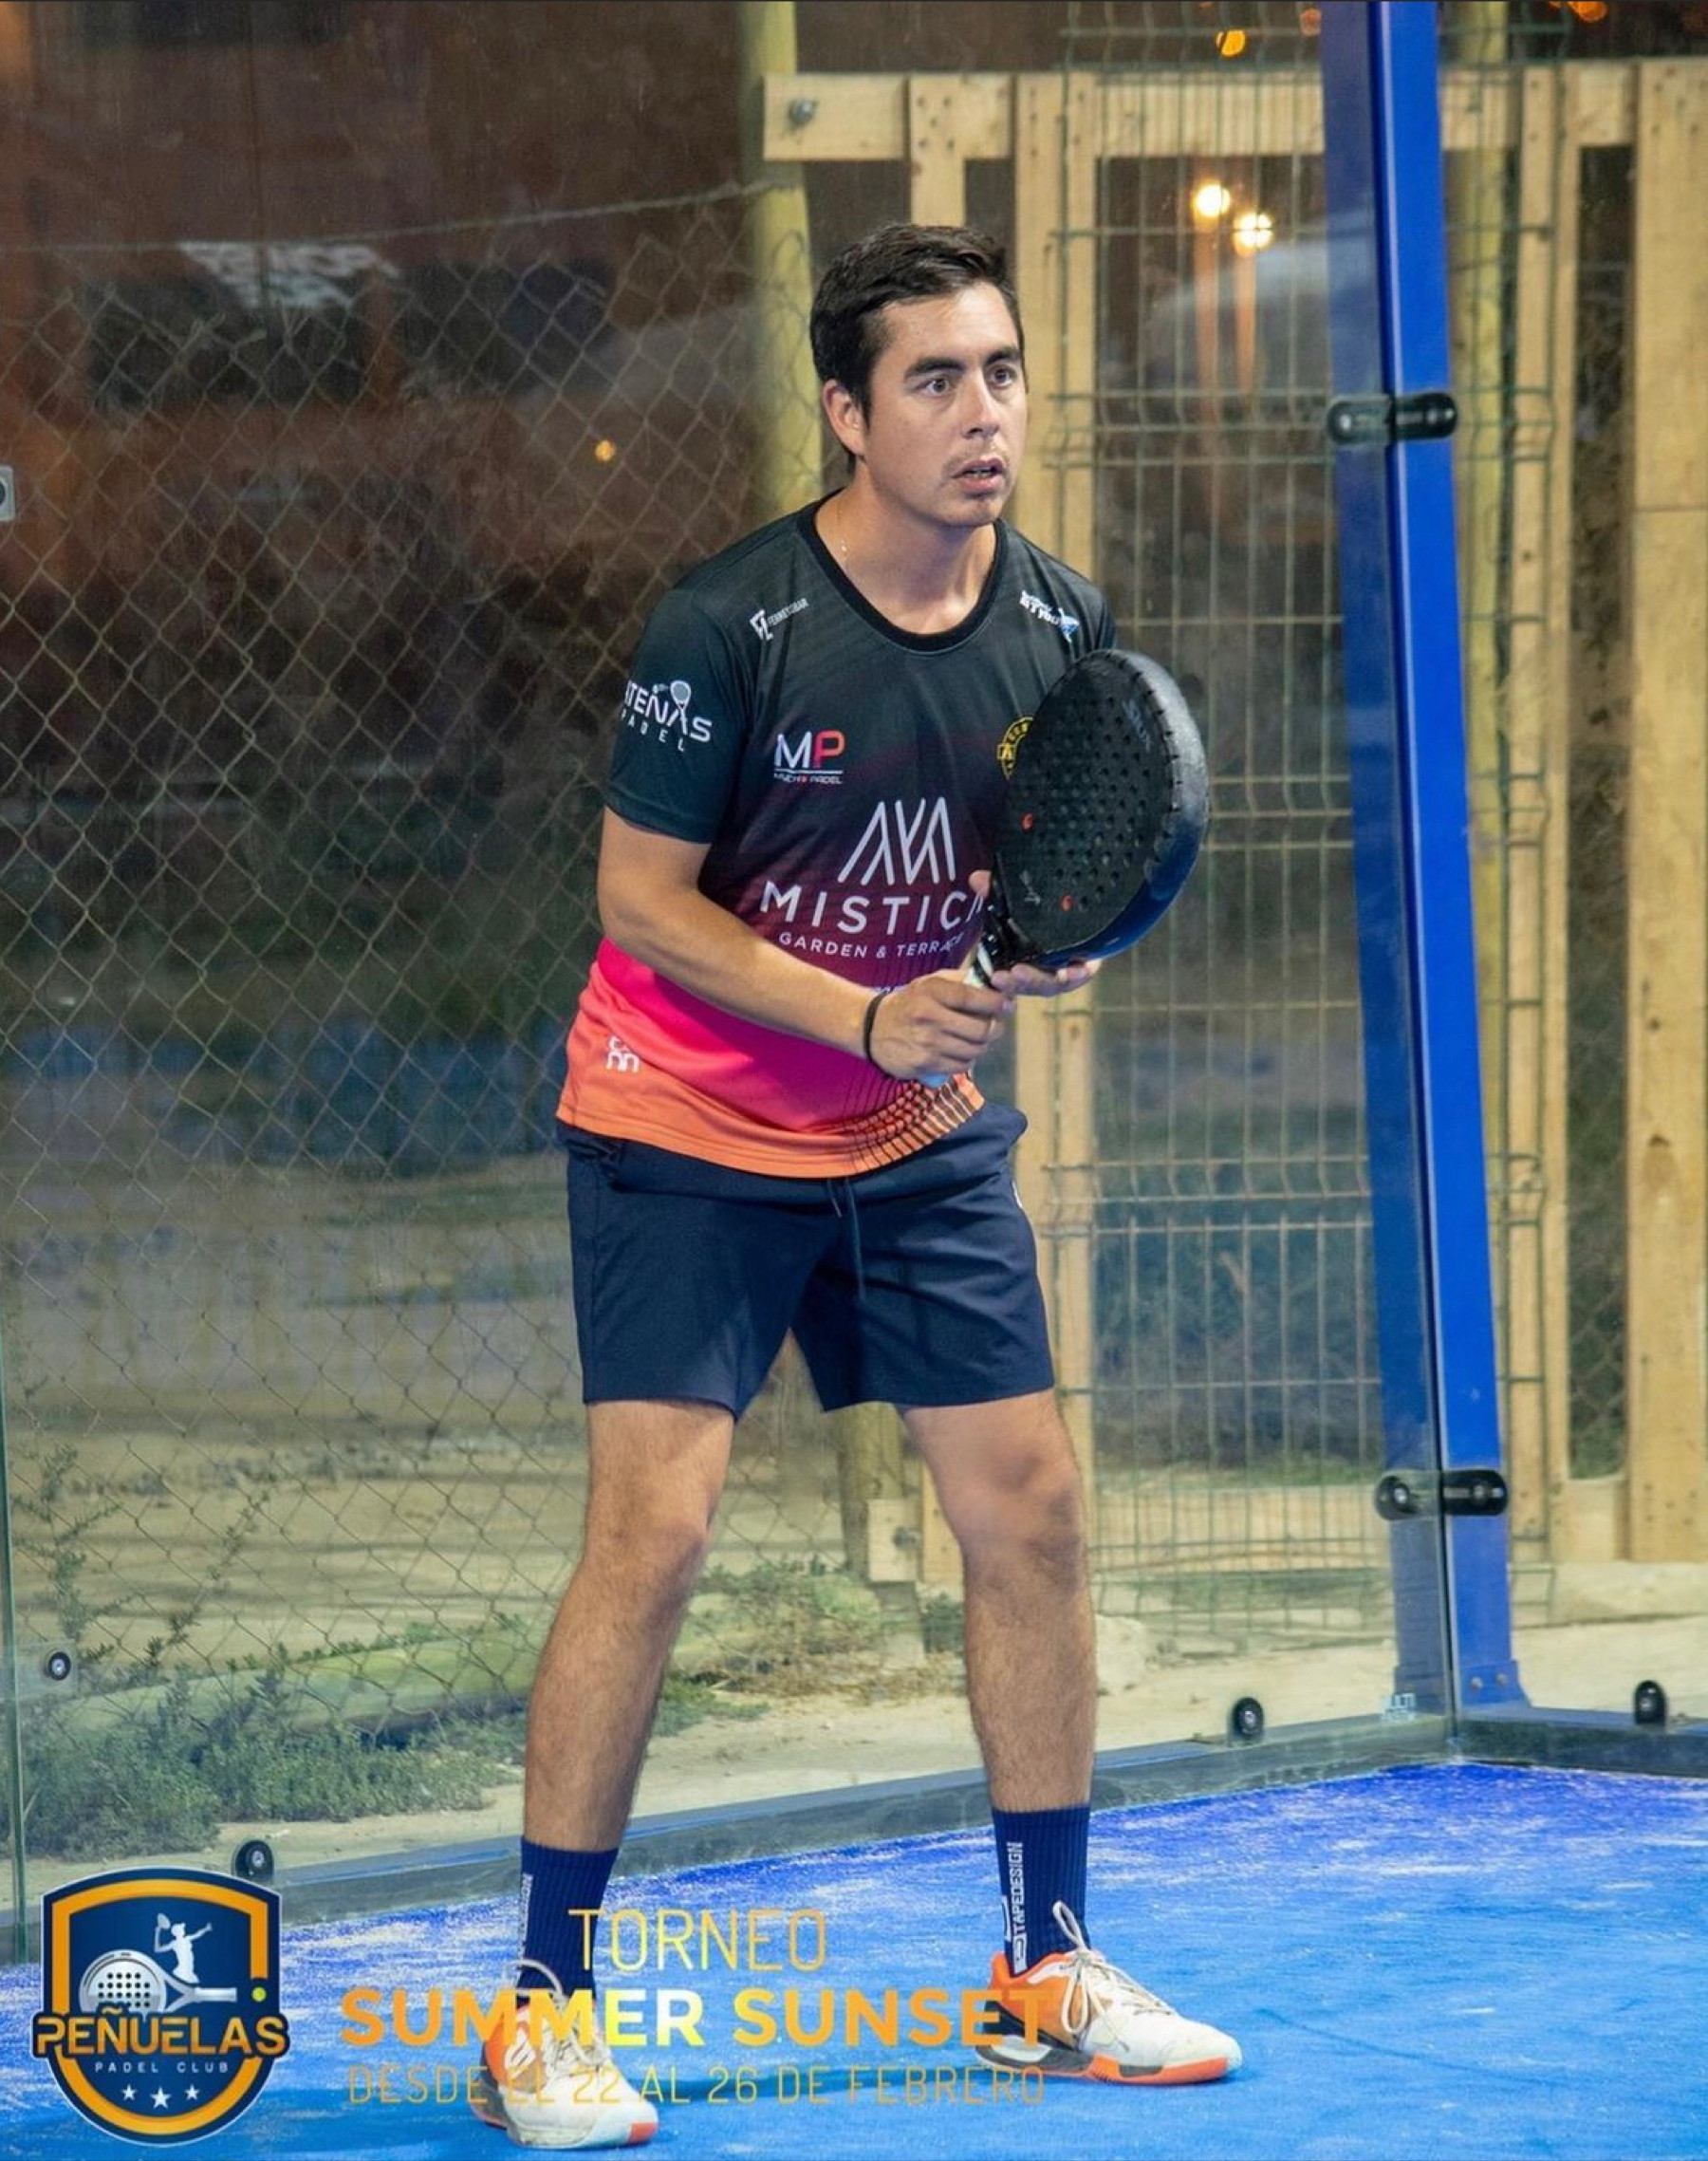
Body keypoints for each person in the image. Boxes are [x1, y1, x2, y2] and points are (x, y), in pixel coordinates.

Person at [472, 222, 1240, 2150]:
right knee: (655, 1535)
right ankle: (540, 2011)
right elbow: (639, 904)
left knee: (1033, 1509)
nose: (984, 414)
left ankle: (1045, 1968)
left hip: (908, 1136)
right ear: (846, 410)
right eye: (935, 380)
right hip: (683, 1124)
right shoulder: (725, 629)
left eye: (1003, 373)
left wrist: (1022, 956)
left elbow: (1036, 866)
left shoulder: (1058, 622)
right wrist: (865, 1012)